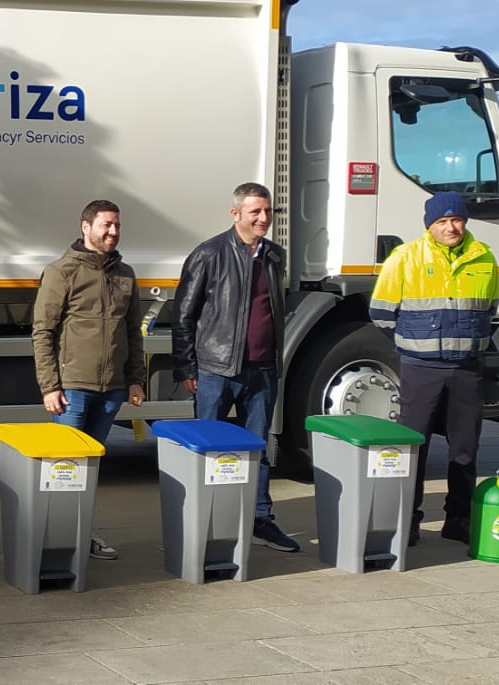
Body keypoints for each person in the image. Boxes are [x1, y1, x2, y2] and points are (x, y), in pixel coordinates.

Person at [172, 182, 300, 553]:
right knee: (208, 449)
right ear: (236, 214)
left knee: (257, 450)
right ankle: (204, 519)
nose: (263, 218)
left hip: (261, 371)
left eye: (267, 212)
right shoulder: (209, 254)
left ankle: (261, 520)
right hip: (215, 369)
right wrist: (187, 369)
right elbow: (183, 316)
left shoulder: (276, 256)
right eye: (255, 212)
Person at [370, 191, 499, 547]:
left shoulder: (484, 258)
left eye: (456, 219)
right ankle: (407, 520)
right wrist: (410, 345)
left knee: (465, 448)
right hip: (420, 368)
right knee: (413, 447)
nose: (450, 227)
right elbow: (380, 313)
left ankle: (458, 519)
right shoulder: (405, 257)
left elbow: (489, 308)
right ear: (429, 225)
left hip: (466, 368)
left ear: (465, 221)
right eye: (441, 221)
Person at [32, 199, 146, 560]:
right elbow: (42, 332)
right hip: (72, 390)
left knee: (90, 469)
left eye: (117, 225)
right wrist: (50, 385)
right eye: (106, 225)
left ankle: (81, 534)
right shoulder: (61, 271)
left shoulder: (125, 274)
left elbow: (133, 332)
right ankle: (54, 539)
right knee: (64, 467)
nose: (112, 231)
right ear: (86, 227)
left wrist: (134, 380)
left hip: (111, 390)